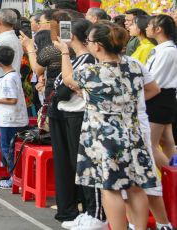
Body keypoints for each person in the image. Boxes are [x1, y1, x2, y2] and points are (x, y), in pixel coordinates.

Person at [59, 23, 158, 230]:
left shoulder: (91, 71)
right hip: (132, 132)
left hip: (103, 136)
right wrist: (124, 104)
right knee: (136, 187)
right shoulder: (134, 66)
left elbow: (68, 79)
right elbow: (151, 89)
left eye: (90, 42)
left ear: (97, 46)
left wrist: (64, 53)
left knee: (110, 189)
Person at [50, 20, 107, 229]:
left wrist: (64, 54)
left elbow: (66, 86)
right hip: (70, 114)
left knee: (85, 166)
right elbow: (65, 86)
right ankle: (87, 211)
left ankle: (95, 212)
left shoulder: (87, 60)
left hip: (80, 115)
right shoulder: (79, 58)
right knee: (76, 165)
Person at [0, 46, 28, 190]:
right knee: (10, 147)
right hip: (13, 118)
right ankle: (15, 177)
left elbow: (11, 100)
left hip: (9, 119)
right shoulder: (13, 75)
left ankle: (14, 178)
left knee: (7, 147)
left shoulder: (8, 78)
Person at [144, 15, 177, 171]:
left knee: (151, 146)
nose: (146, 27)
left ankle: (172, 178)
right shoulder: (163, 49)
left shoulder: (167, 51)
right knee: (167, 141)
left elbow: (154, 80)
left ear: (158, 29)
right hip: (161, 97)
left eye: (149, 25)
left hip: (159, 98)